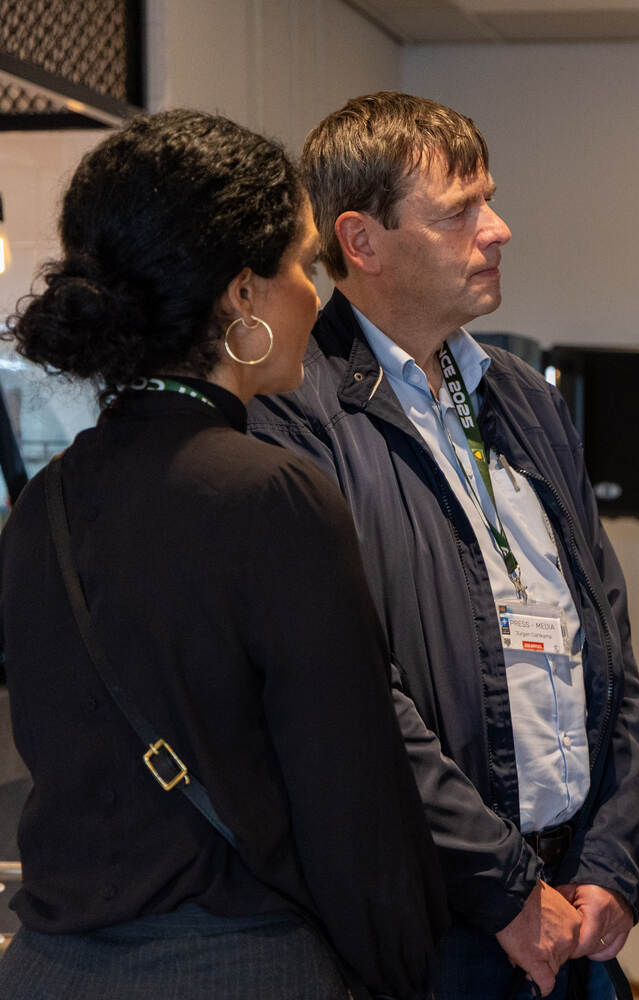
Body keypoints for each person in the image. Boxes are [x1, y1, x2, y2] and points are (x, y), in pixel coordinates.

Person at [0, 109, 447, 998]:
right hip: (232, 967)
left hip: (48, 971)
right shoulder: (274, 499)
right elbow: (353, 806)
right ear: (241, 294)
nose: (313, 293)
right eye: (297, 263)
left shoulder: (43, 504)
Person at [248, 92, 639, 999]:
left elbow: (609, 645)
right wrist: (505, 892)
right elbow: (347, 694)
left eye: (490, 199)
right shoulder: (293, 411)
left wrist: (613, 861)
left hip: (575, 905)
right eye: (459, 212)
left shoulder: (522, 396)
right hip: (431, 925)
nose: (498, 229)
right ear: (362, 241)